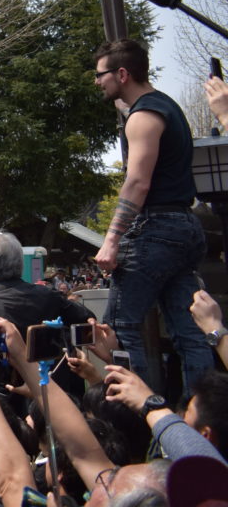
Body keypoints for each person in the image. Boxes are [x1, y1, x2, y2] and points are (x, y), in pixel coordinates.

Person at [93, 38, 214, 393]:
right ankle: (203, 419)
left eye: (101, 75)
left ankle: (139, 418)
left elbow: (137, 183)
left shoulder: (143, 117)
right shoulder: (164, 108)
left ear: (122, 74)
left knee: (118, 328)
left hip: (154, 229)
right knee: (191, 332)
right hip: (185, 227)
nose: (97, 82)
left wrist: (111, 240)